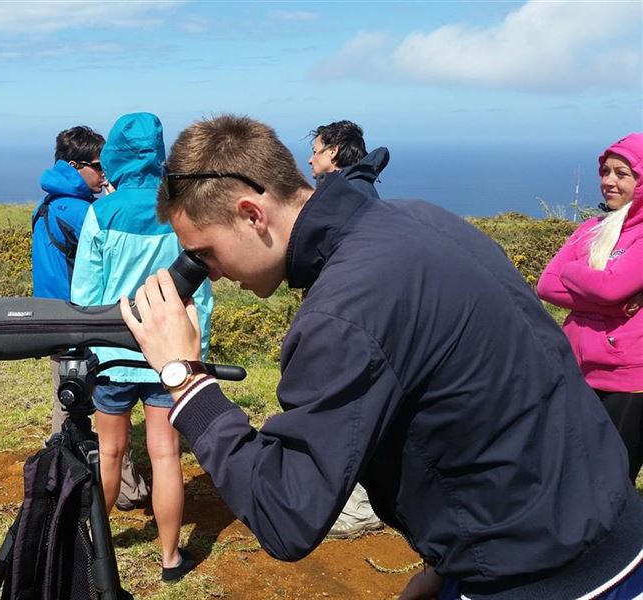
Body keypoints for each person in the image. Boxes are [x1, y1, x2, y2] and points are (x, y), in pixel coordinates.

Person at [120, 115, 643, 599]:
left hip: (546, 579)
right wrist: (450, 563)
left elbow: (286, 514)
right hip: (611, 530)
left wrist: (184, 380)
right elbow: (503, 389)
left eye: (206, 252)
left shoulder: (345, 310)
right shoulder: (421, 221)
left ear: (252, 213)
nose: (208, 272)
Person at [71, 112, 214, 582]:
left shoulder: (101, 212)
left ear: (112, 153)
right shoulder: (179, 211)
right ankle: (171, 559)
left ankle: (97, 551)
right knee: (166, 454)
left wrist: (90, 350)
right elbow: (201, 294)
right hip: (168, 357)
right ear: (159, 154)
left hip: (111, 356)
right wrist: (196, 354)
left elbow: (85, 298)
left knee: (109, 455)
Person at [31, 125, 149, 511]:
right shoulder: (79, 210)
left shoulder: (50, 203)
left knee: (67, 404)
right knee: (103, 407)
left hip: (54, 320)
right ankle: (125, 490)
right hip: (79, 323)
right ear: (73, 165)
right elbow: (116, 253)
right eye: (99, 167)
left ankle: (59, 481)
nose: (105, 174)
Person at [538, 132, 643, 484]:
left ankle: (624, 540)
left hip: (629, 380)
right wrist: (608, 306)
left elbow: (613, 287)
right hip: (580, 369)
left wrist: (573, 274)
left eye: (622, 174)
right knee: (571, 468)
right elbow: (547, 284)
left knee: (612, 478)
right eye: (606, 172)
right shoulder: (590, 229)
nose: (609, 182)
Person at [307, 120, 391, 538]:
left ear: (336, 152)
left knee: (346, 407)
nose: (310, 158)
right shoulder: (362, 190)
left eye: (318, 150)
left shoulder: (342, 197)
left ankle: (356, 508)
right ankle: (362, 500)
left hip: (348, 319)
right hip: (359, 316)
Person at [308, 119, 390, 201]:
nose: (310, 161)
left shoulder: (344, 194)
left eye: (315, 152)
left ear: (333, 151)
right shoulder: (361, 187)